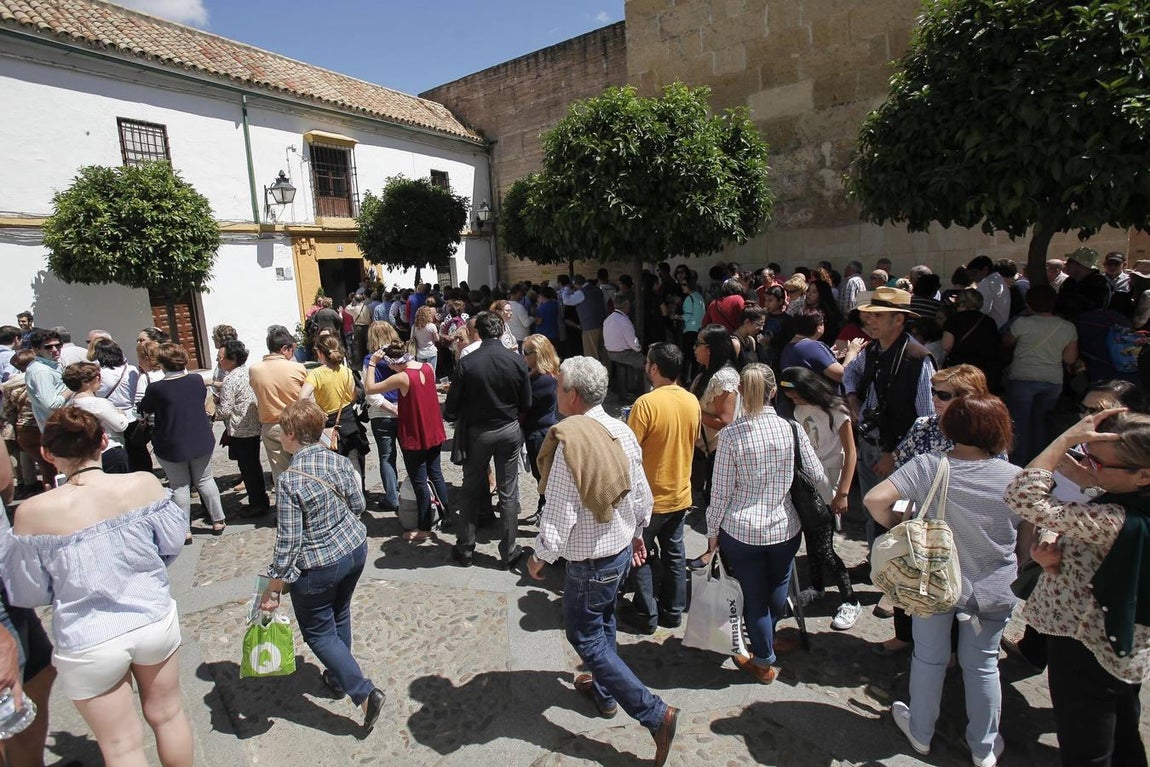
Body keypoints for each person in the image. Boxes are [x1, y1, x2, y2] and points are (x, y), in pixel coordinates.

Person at [2, 407, 193, 767]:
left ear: (47, 453)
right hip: (151, 616)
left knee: (121, 746)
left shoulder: (31, 513)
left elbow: (27, 590)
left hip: (88, 636)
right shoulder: (142, 484)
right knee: (169, 716)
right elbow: (170, 543)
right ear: (103, 441)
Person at [525, 357, 679, 767]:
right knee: (605, 620)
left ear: (572, 396)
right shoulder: (621, 430)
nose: (556, 394)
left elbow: (559, 513)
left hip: (592, 558)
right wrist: (638, 533)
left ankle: (653, 713)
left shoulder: (570, 441)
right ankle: (604, 691)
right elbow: (641, 493)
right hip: (619, 549)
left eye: (559, 388)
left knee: (585, 636)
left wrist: (540, 557)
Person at [866, 396, 1023, 767]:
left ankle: (920, 731)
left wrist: (901, 527)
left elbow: (875, 500)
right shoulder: (1017, 478)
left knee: (929, 659)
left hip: (933, 581)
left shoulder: (930, 466)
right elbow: (1026, 542)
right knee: (984, 666)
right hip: (992, 588)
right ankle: (984, 747)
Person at [1004, 409, 1150, 766]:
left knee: (1087, 745)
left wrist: (1063, 441)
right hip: (1123, 639)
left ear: (1143, 474)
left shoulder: (1112, 520)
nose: (1088, 466)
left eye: (1098, 462)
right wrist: (1094, 481)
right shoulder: (1132, 504)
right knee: (1123, 730)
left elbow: (1022, 496)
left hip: (1086, 641)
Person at [258, 401, 385, 732]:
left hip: (318, 566)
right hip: (353, 550)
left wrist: (273, 588)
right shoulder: (339, 461)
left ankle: (364, 691)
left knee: (318, 631)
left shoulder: (290, 481)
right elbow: (358, 504)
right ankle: (341, 678)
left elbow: (288, 542)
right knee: (340, 612)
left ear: (290, 435)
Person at [705, 363, 825, 682]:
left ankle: (762, 659)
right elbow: (817, 476)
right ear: (774, 392)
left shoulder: (730, 436)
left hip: (741, 530)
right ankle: (765, 642)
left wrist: (712, 532)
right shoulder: (792, 429)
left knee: (754, 597)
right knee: (776, 588)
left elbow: (720, 493)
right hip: (785, 527)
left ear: (741, 392)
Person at [843, 287, 936, 548]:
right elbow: (850, 372)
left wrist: (894, 454)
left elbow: (926, 422)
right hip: (869, 444)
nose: (869, 321)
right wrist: (852, 398)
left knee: (898, 514)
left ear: (899, 319)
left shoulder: (918, 358)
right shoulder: (872, 351)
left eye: (878, 316)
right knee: (871, 508)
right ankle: (875, 559)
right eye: (869, 316)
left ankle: (896, 569)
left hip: (897, 455)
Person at [622, 343, 700, 634]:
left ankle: (646, 612)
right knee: (674, 554)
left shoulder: (646, 404)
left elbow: (629, 451)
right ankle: (673, 610)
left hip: (649, 497)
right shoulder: (691, 400)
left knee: (640, 554)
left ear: (654, 368)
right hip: (679, 492)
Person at [444, 312, 532, 569]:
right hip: (507, 427)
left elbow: (451, 407)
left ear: (478, 333)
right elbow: (526, 402)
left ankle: (466, 548)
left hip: (478, 432)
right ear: (503, 330)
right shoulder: (515, 360)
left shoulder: (468, 362)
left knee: (471, 488)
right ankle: (509, 550)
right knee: (508, 490)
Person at [778, 366, 860, 630]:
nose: (794, 400)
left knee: (825, 546)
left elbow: (851, 453)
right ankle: (817, 587)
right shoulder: (799, 411)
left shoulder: (836, 409)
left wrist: (844, 492)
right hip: (808, 483)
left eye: (795, 394)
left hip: (832, 482)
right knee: (811, 539)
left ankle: (850, 600)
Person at [137, 343, 226, 536]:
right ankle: (218, 520)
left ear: (161, 364)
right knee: (205, 480)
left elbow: (144, 408)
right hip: (200, 437)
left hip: (172, 442)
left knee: (179, 485)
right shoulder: (196, 380)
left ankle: (184, 529)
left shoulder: (156, 388)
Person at [365, 343, 449, 543]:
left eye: (390, 366)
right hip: (433, 431)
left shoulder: (402, 377)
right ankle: (446, 515)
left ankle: (424, 527)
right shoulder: (427, 368)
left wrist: (373, 364)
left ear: (395, 363)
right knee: (436, 473)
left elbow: (369, 388)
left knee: (420, 481)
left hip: (415, 435)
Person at [1002, 284, 1079, 465]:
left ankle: (1017, 465)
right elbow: (1070, 358)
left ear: (1029, 303)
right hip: (1052, 380)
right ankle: (1040, 465)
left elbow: (1006, 342)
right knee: (1041, 424)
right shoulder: (1068, 327)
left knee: (1018, 425)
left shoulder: (1022, 323)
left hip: (1022, 377)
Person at [299, 336, 368, 486]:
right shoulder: (346, 371)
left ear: (321, 353)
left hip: (329, 422)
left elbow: (302, 397)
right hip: (349, 419)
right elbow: (353, 397)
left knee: (333, 463)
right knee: (354, 460)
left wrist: (316, 409)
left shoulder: (316, 374)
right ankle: (359, 493)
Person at [216, 339, 270, 517]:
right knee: (253, 466)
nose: (219, 361)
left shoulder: (230, 379)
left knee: (248, 468)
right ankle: (259, 500)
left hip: (241, 429)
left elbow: (224, 410)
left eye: (221, 358)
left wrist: (212, 408)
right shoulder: (248, 373)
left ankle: (258, 503)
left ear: (231, 359)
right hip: (254, 426)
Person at [249, 325, 308, 487]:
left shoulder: (255, 369)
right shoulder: (297, 368)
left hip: (270, 424)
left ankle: (286, 502)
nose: (292, 354)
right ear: (284, 349)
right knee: (304, 468)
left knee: (279, 471)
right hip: (296, 422)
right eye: (291, 350)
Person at [690, 325, 740, 509]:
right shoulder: (704, 374)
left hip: (719, 454)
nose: (694, 348)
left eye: (698, 344)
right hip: (704, 451)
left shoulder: (724, 378)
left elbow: (726, 421)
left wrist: (693, 411)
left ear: (710, 349)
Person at [61, 362, 130, 474]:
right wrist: (122, 414)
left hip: (89, 453)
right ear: (86, 382)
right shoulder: (97, 403)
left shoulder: (72, 403)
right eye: (97, 377)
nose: (99, 379)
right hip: (109, 449)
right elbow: (120, 425)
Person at [519, 334, 559, 526]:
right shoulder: (542, 375)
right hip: (538, 430)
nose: (523, 356)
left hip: (540, 433)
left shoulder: (543, 380)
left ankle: (547, 513)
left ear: (537, 354)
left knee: (543, 477)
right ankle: (544, 507)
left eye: (525, 353)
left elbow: (523, 405)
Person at [362, 321, 402, 513]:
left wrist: (389, 408)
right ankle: (414, 492)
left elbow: (370, 393)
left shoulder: (371, 360)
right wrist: (397, 409)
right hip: (402, 411)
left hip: (381, 415)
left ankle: (392, 497)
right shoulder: (401, 357)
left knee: (387, 457)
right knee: (410, 455)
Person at [940, 289, 1003, 390]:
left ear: (960, 302)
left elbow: (946, 346)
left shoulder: (954, 319)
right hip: (984, 371)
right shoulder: (989, 321)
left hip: (961, 368)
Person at [23, 329, 67, 434]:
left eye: (58, 345)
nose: (55, 349)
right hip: (57, 429)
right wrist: (72, 388)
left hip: (64, 425)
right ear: (36, 350)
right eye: (48, 347)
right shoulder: (41, 371)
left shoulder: (54, 364)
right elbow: (51, 405)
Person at [411, 305, 441, 374]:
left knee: (422, 373)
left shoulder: (414, 327)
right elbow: (437, 339)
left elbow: (412, 339)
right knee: (431, 372)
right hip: (431, 352)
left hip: (420, 353)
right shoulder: (432, 326)